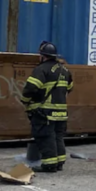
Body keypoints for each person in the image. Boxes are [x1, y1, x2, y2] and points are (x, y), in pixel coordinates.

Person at [22, 41, 73, 173]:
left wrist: (25, 101)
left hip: (45, 112)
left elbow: (30, 89)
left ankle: (49, 165)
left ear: (42, 56)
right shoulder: (65, 70)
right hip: (61, 112)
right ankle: (59, 162)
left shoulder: (41, 69)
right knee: (58, 137)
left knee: (46, 137)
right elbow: (69, 88)